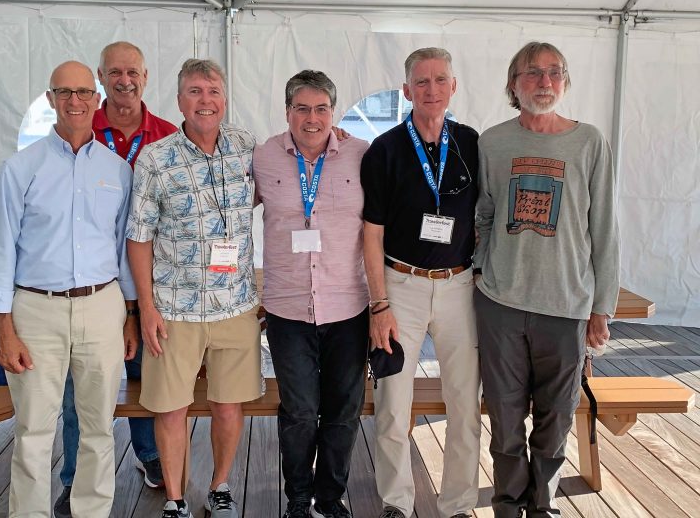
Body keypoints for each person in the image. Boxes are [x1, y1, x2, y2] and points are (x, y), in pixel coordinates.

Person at [0, 60, 138, 518]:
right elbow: (0, 251)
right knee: (32, 430)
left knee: (98, 428)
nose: (75, 101)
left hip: (102, 307)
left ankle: (90, 512)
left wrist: (129, 315)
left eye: (84, 92)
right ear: (50, 99)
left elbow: (122, 249)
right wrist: (4, 330)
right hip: (35, 310)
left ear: (97, 99)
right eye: (64, 92)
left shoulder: (117, 170)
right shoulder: (20, 168)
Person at [473, 42, 619, 518]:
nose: (545, 82)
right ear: (513, 85)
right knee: (506, 419)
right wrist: (479, 272)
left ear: (566, 82)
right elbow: (485, 216)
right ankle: (508, 508)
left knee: (555, 422)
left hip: (567, 305)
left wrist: (603, 307)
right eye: (533, 73)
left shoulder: (589, 141)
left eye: (555, 72)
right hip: (501, 302)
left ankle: (543, 507)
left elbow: (605, 230)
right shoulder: (492, 142)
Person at [127, 59, 262, 518]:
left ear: (225, 98)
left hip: (236, 307)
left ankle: (220, 486)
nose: (206, 100)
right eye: (195, 92)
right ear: (179, 99)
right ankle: (175, 498)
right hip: (174, 310)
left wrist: (335, 138)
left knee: (228, 408)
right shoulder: (155, 159)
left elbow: (286, 176)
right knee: (170, 410)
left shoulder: (246, 147)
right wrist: (145, 307)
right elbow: (138, 237)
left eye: (213, 91)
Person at [55, 41, 177, 517]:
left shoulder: (169, 135)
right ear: (101, 79)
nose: (124, 80)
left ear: (146, 78)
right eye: (114, 72)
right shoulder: (79, 130)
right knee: (78, 390)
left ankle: (149, 457)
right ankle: (75, 480)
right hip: (92, 285)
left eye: (133, 72)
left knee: (149, 379)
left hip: (153, 288)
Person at [360, 47, 481, 518]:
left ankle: (458, 504)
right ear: (406, 90)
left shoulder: (471, 143)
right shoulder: (385, 149)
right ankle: (396, 502)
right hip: (401, 287)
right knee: (392, 403)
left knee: (464, 404)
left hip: (458, 287)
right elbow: (370, 233)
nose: (432, 90)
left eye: (440, 80)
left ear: (454, 86)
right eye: (422, 82)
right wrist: (379, 305)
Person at [253, 70, 370, 518]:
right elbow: (227, 209)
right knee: (299, 412)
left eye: (321, 108)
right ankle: (298, 499)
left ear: (333, 113)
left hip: (348, 306)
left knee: (342, 412)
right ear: (288, 112)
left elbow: (379, 227)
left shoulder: (361, 155)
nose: (312, 117)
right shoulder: (263, 156)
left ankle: (329, 498)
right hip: (287, 308)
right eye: (302, 108)